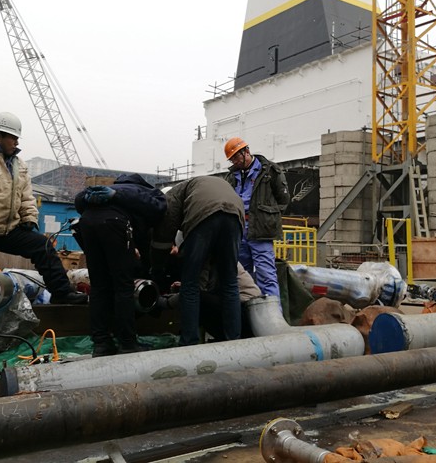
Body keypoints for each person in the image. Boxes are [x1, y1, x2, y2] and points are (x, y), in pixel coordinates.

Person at [0, 112, 87, 325]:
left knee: (42, 247)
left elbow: (26, 196)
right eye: (13, 138)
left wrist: (29, 218)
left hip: (8, 230)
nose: (17, 143)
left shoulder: (19, 164)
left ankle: (61, 292)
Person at [73, 174, 166, 357]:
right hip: (115, 223)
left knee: (99, 286)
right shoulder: (143, 191)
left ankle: (101, 343)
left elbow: (78, 202)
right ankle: (127, 343)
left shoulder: (101, 192)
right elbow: (159, 209)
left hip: (87, 222)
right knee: (123, 286)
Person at [152, 176, 244, 346]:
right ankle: (233, 341)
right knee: (230, 282)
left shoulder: (171, 197)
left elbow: (164, 235)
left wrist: (157, 267)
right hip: (235, 214)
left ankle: (189, 342)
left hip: (206, 213)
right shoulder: (196, 186)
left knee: (190, 284)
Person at [223, 137, 289, 298]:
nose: (235, 162)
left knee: (266, 275)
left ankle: (273, 313)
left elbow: (283, 200)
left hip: (261, 230)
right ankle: (245, 311)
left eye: (236, 158)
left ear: (246, 151)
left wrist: (267, 218)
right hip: (239, 231)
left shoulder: (270, 171)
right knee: (241, 276)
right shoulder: (231, 177)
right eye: (232, 159)